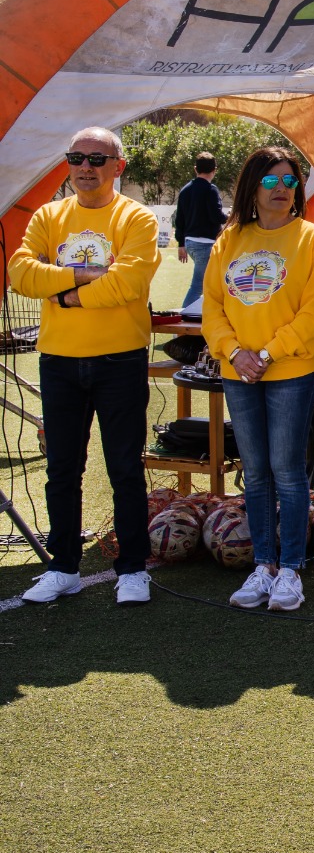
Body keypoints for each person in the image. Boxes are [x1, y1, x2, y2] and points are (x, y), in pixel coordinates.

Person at [11, 127, 160, 606]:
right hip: (59, 362)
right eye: (77, 157)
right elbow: (19, 273)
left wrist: (65, 294)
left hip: (119, 360)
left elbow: (130, 284)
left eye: (97, 158)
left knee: (123, 468)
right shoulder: (48, 215)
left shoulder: (135, 217)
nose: (86, 167)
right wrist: (87, 273)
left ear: (119, 166)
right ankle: (63, 567)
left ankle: (133, 569)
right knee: (61, 470)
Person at [203, 146, 314, 613]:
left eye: (290, 182)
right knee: (255, 473)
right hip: (239, 372)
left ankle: (292, 571)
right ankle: (264, 566)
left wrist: (266, 353)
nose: (282, 190)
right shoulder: (229, 240)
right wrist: (236, 353)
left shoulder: (313, 238)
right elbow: (213, 307)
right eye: (272, 181)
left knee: (287, 472)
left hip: (291, 372)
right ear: (253, 187)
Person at [174, 150, 226, 308]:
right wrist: (231, 217)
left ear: (195, 169)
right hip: (205, 244)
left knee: (204, 283)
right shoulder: (211, 190)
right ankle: (184, 319)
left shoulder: (185, 190)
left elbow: (179, 220)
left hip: (190, 243)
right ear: (214, 170)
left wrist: (180, 244)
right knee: (198, 286)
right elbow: (216, 216)